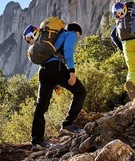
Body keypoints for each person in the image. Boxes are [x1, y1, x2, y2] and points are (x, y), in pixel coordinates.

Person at [23, 22, 87, 151]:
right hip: (56, 67)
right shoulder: (70, 34)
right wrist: (71, 71)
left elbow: (51, 55)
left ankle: (37, 142)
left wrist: (55, 83)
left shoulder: (53, 39)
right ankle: (68, 124)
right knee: (80, 92)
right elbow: (68, 50)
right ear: (76, 31)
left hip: (44, 71)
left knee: (41, 107)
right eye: (79, 36)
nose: (78, 39)